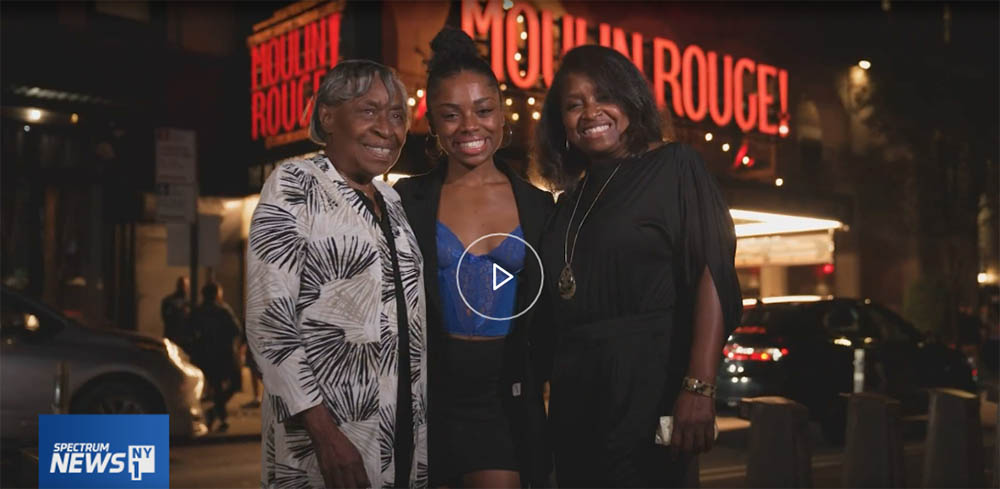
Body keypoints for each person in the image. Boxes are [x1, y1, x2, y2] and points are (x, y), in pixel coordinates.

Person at [534, 45, 743, 487]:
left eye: (603, 96)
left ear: (631, 100)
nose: (590, 112)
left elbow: (712, 274)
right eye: (574, 105)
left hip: (649, 383)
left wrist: (700, 386)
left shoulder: (674, 166)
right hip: (575, 395)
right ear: (561, 124)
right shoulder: (568, 202)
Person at [246, 60, 427, 488]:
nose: (388, 128)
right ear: (327, 116)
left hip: (402, 438)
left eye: (398, 114)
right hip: (328, 444)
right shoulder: (295, 183)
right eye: (369, 110)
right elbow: (269, 324)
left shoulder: (392, 200)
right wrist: (326, 436)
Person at [394, 29, 553, 489]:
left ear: (501, 116)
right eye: (451, 114)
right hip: (426, 398)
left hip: (504, 398)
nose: (469, 126)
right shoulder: (406, 200)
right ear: (432, 121)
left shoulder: (539, 207)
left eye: (483, 111)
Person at [190, 282, 242, 432]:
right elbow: (236, 330)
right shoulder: (223, 310)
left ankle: (214, 413)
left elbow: (189, 331)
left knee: (215, 386)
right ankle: (218, 415)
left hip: (205, 354)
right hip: (223, 354)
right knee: (232, 384)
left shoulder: (198, 311)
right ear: (216, 294)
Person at [161, 276, 191, 347]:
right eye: (182, 285)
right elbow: (165, 318)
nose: (184, 288)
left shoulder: (189, 303)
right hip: (173, 336)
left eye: (185, 286)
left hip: (185, 338)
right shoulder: (168, 301)